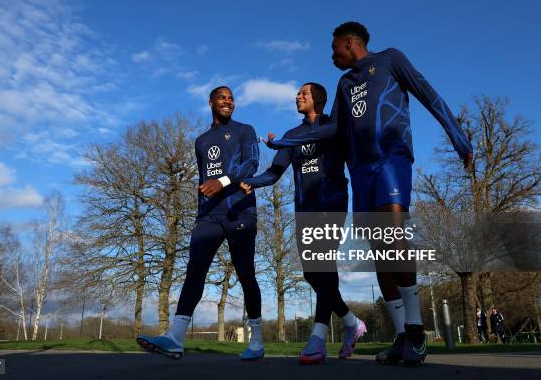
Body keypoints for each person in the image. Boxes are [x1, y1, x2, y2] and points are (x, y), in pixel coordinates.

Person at [266, 22, 473, 366]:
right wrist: (284, 143)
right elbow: (335, 129)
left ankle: (418, 331)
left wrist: (459, 138)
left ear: (349, 43)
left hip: (391, 159)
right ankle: (402, 337)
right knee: (378, 251)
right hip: (360, 171)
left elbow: (428, 93)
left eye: (335, 49)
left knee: (391, 235)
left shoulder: (391, 60)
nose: (332, 55)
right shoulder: (344, 83)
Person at [241, 82, 366, 364]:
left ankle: (317, 339)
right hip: (304, 209)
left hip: (331, 203)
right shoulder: (293, 135)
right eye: (298, 93)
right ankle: (351, 322)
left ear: (317, 99)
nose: (298, 96)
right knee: (312, 274)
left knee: (324, 264)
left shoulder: (334, 127)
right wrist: (249, 182)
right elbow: (274, 173)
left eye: (304, 93)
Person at [137, 86, 264, 361]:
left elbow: (252, 163)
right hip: (209, 216)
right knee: (195, 271)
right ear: (211, 103)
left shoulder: (245, 130)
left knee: (246, 275)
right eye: (222, 97)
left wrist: (224, 182)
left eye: (231, 98)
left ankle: (257, 341)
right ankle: (175, 337)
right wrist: (202, 207)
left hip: (240, 212)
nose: (228, 101)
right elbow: (203, 180)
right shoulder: (202, 140)